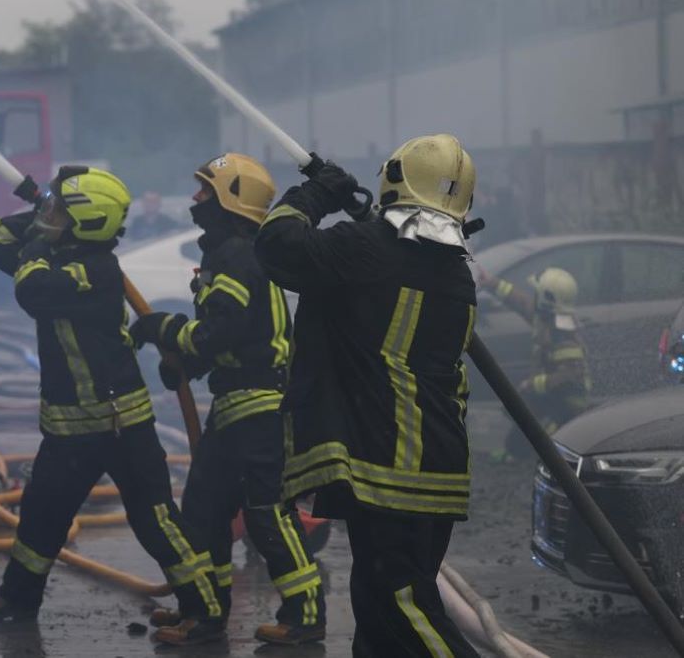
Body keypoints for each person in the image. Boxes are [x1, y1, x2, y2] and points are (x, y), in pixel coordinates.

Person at [0, 166, 225, 642]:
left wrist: (44, 234)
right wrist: (43, 211)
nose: (51, 216)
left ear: (87, 222)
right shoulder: (56, 254)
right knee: (42, 513)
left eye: (62, 211)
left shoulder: (95, 271)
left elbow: (32, 290)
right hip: (68, 430)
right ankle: (17, 599)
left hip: (118, 426)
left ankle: (204, 612)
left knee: (154, 520)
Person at [255, 134, 481, 657]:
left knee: (401, 603)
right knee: (379, 623)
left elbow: (277, 247)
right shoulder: (453, 270)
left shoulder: (368, 249)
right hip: (433, 464)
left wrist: (318, 193)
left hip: (392, 466)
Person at [129, 153, 325, 646]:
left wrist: (162, 328)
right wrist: (187, 364)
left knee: (264, 512)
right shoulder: (232, 253)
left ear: (228, 200)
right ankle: (205, 613)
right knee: (203, 510)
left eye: (205, 191)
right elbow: (236, 336)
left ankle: (304, 615)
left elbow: (221, 331)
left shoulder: (237, 255)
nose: (195, 200)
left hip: (259, 410)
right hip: (240, 405)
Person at [477, 266, 590, 460]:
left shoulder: (563, 337)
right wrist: (492, 283)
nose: (533, 297)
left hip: (565, 407)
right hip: (551, 396)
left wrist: (533, 384)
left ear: (546, 299)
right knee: (518, 412)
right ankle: (518, 450)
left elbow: (569, 377)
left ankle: (530, 456)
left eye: (537, 293)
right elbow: (521, 302)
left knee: (539, 441)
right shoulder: (547, 319)